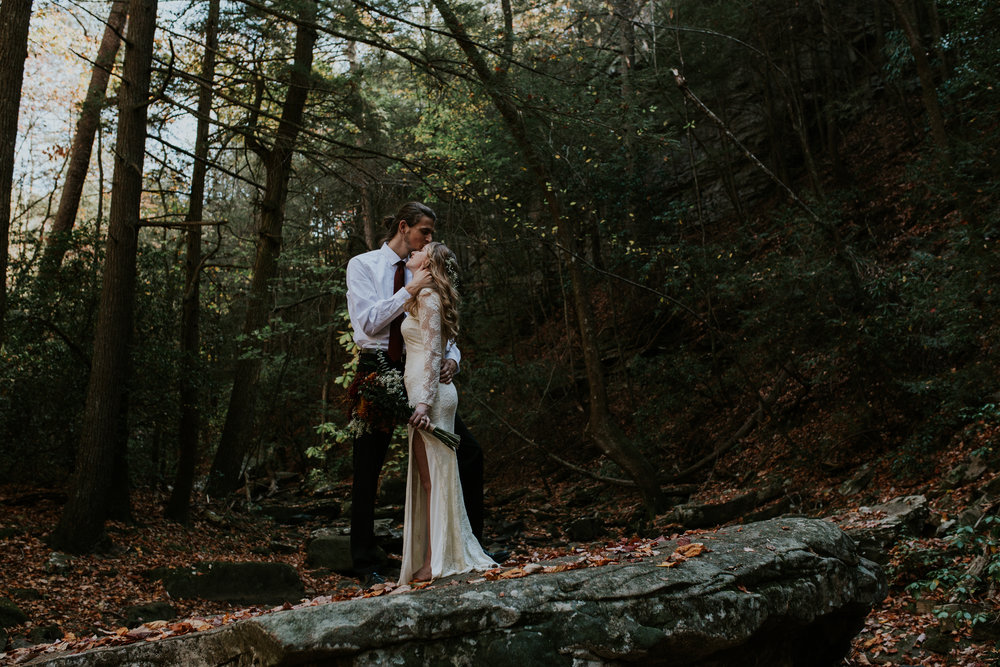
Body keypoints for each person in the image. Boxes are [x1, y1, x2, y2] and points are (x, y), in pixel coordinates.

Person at [345, 202, 488, 584]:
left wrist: (452, 361)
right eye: (425, 232)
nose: (429, 239)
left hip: (420, 373)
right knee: (367, 464)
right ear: (404, 227)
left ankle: (463, 544)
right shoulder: (363, 265)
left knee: (468, 452)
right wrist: (409, 289)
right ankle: (364, 562)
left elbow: (441, 329)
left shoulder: (426, 274)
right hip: (376, 370)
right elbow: (369, 322)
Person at [398, 241, 496, 583]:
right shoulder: (419, 296)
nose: (414, 250)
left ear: (430, 264)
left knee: (434, 479)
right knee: (432, 480)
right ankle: (437, 554)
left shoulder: (428, 299)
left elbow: (431, 356)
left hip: (432, 397)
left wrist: (423, 403)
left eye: (422, 249)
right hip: (425, 393)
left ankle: (435, 561)